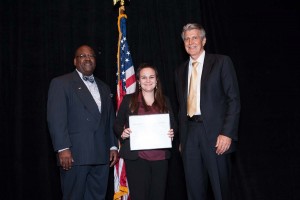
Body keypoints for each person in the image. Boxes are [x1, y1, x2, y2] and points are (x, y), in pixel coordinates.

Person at [175, 23, 241, 200]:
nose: (190, 42)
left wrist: (227, 133)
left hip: (216, 136)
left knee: (221, 190)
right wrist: (182, 138)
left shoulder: (221, 62)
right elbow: (182, 106)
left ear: (203, 40)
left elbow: (233, 100)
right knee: (194, 191)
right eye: (187, 39)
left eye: (195, 37)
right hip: (190, 135)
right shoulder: (180, 71)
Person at [47, 45, 118, 200]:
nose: (87, 58)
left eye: (91, 56)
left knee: (97, 197)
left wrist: (112, 145)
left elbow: (109, 118)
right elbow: (56, 118)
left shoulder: (104, 87)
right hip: (75, 155)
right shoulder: (61, 83)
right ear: (75, 61)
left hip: (101, 154)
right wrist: (62, 148)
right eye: (82, 56)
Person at [114, 63, 177, 200]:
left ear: (156, 80)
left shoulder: (165, 100)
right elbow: (117, 125)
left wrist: (171, 132)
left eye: (151, 77)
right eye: (144, 77)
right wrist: (123, 133)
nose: (148, 80)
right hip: (137, 159)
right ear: (138, 81)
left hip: (160, 159)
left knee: (158, 196)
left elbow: (173, 125)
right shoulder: (128, 100)